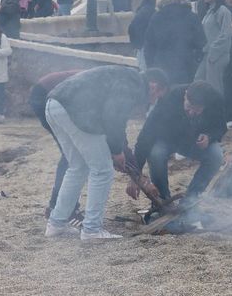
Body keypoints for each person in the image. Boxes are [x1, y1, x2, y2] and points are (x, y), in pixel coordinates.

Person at [44, 66, 160, 242]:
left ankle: (56, 224)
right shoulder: (132, 83)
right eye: (156, 95)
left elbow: (114, 122)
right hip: (76, 112)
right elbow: (113, 116)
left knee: (78, 167)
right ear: (153, 86)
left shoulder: (124, 76)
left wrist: (121, 152)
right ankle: (91, 230)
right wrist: (116, 151)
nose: (152, 101)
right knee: (102, 170)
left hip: (54, 105)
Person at [130, 79, 227, 208]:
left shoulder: (215, 100)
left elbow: (221, 127)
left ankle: (190, 201)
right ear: (185, 94)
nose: (192, 113)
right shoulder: (170, 97)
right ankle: (163, 201)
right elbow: (146, 135)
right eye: (189, 107)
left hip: (194, 142)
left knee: (216, 156)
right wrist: (135, 175)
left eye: (197, 110)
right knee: (155, 154)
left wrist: (210, 136)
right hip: (167, 139)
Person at [30, 68, 86, 217]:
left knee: (72, 154)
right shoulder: (106, 86)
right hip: (44, 96)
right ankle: (59, 207)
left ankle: (58, 206)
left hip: (49, 95)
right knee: (71, 155)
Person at [144, 0, 205, 86]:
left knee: (164, 94)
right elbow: (201, 41)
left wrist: (151, 66)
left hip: (161, 65)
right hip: (186, 65)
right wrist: (196, 60)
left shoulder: (157, 16)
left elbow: (149, 45)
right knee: (183, 94)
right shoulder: (192, 16)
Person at [195, 0, 232, 89]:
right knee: (198, 81)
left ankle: (217, 105)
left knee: (214, 85)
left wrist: (213, 53)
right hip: (207, 54)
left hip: (218, 55)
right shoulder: (209, 11)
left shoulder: (223, 11)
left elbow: (225, 35)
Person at [127, 0, 156, 69]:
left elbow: (131, 28)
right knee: (146, 67)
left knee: (141, 66)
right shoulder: (151, 12)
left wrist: (135, 44)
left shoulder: (140, 12)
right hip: (146, 44)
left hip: (139, 45)